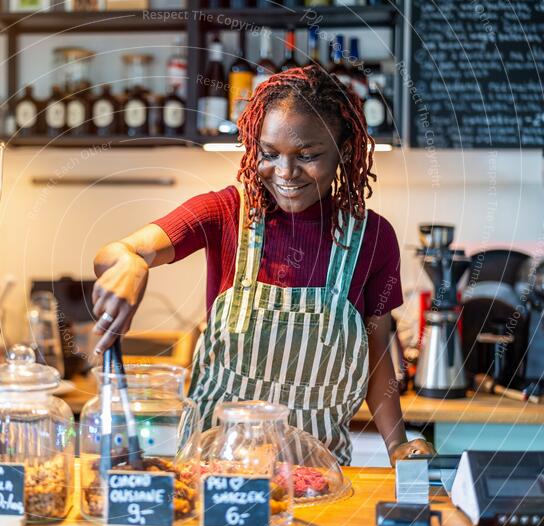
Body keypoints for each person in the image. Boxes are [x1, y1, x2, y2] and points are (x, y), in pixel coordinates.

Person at [91, 64, 434, 466]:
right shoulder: (224, 213)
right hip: (215, 472)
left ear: (343, 150)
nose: (285, 173)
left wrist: (396, 444)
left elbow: (378, 358)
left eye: (307, 155)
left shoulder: (373, 238)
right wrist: (131, 263)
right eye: (269, 154)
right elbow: (115, 253)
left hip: (317, 474)